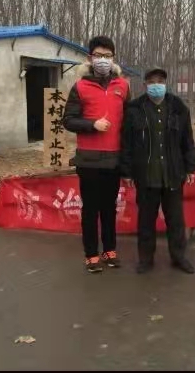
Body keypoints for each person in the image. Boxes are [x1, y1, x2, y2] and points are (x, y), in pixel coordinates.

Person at [120, 67, 195, 274]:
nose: (156, 85)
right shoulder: (134, 109)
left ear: (165, 84)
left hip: (173, 174)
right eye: (152, 82)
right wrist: (126, 172)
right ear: (145, 85)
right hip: (146, 175)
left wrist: (190, 167)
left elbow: (187, 140)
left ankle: (178, 257)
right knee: (146, 220)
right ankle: (146, 259)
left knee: (176, 220)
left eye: (160, 82)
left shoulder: (178, 108)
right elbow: (126, 143)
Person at [62, 36, 130, 273]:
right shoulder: (80, 87)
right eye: (99, 55)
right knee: (90, 209)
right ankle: (91, 254)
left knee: (109, 208)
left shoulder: (123, 86)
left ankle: (109, 250)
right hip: (89, 160)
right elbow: (68, 120)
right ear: (90, 58)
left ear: (113, 58)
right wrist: (92, 124)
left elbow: (128, 122)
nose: (103, 60)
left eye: (107, 56)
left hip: (113, 159)